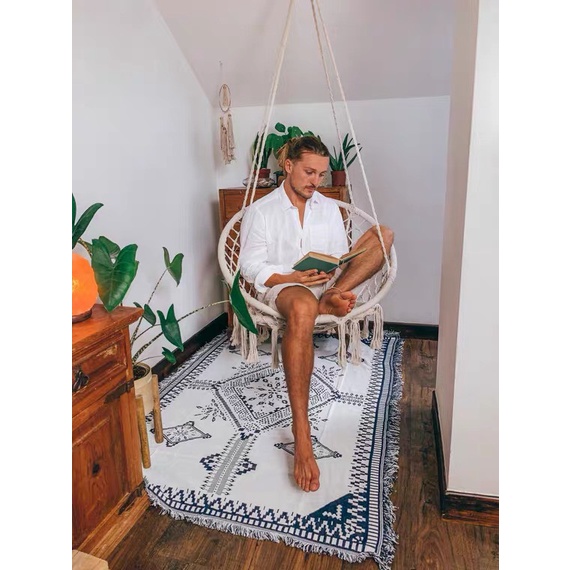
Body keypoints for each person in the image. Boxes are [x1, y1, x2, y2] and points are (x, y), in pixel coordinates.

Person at [240, 135, 394, 493]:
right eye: (309, 172)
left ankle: (330, 298)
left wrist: (331, 273)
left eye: (322, 174)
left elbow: (339, 254)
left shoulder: (327, 207)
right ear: (288, 166)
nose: (316, 181)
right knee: (303, 305)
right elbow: (249, 265)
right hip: (285, 287)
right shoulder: (261, 211)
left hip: (325, 283)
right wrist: (292, 278)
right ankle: (302, 430)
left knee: (383, 235)